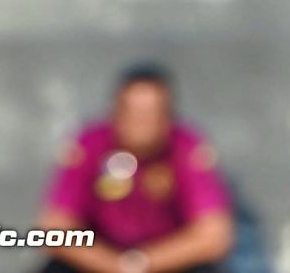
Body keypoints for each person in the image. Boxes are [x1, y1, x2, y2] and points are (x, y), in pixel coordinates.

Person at [37, 64, 235, 273]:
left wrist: (140, 264)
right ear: (116, 113)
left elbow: (214, 236)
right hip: (99, 260)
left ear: (168, 117)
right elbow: (55, 229)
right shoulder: (89, 145)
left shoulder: (187, 148)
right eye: (134, 113)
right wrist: (115, 266)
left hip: (168, 262)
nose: (142, 123)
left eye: (152, 113)